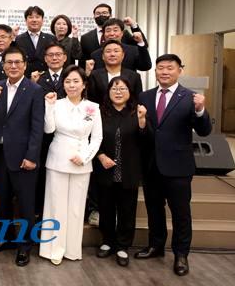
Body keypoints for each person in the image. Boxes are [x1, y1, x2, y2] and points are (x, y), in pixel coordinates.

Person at [135, 54, 212, 277]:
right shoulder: (145, 96)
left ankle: (181, 254)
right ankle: (156, 246)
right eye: (160, 68)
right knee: (154, 209)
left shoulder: (190, 97)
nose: (164, 72)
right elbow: (145, 132)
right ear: (155, 72)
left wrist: (200, 110)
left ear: (180, 70)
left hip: (178, 166)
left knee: (181, 213)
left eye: (170, 68)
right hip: (151, 165)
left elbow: (204, 131)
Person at [0, 45, 44, 267]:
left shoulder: (34, 90)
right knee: (2, 201)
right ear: (3, 66)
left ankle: (24, 246)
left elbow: (37, 127)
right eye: (9, 62)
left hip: (23, 157)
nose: (13, 66)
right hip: (0, 154)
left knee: (26, 204)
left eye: (17, 62)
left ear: (25, 65)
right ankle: (6, 239)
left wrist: (32, 156)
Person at [39, 65, 103, 265]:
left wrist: (84, 157)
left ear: (84, 85)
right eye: (67, 81)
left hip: (82, 162)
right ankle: (53, 249)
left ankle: (72, 249)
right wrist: (49, 107)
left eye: (76, 81)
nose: (72, 85)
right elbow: (49, 129)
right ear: (63, 84)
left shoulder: (93, 107)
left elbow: (97, 138)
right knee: (56, 206)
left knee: (76, 208)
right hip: (58, 159)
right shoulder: (56, 104)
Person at [93, 76, 150, 266]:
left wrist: (142, 121)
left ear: (130, 92)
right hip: (105, 169)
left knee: (127, 210)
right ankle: (107, 241)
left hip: (129, 170)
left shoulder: (137, 112)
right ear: (108, 92)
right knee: (106, 208)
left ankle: (123, 246)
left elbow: (146, 141)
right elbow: (91, 138)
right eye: (114, 89)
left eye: (123, 89)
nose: (118, 92)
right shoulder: (100, 113)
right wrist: (101, 156)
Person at [32, 42, 67, 219]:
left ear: (65, 57)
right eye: (50, 55)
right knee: (43, 175)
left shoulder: (72, 77)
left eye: (58, 54)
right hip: (44, 136)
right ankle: (41, 211)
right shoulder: (38, 79)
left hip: (66, 134)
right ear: (45, 59)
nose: (54, 58)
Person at [79, 3, 147, 67]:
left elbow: (142, 46)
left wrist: (134, 26)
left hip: (124, 71)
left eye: (104, 13)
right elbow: (83, 61)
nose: (101, 15)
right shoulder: (85, 38)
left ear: (110, 15)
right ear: (94, 16)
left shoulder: (123, 33)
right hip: (98, 73)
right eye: (98, 13)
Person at [87, 40, 143, 105]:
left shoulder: (134, 76)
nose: (112, 54)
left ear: (123, 55)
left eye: (116, 51)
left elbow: (138, 100)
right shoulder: (94, 75)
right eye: (108, 51)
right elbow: (90, 99)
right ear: (103, 56)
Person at [15, 6, 56, 78]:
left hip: (46, 78)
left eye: (37, 17)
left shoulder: (51, 38)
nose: (34, 20)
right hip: (25, 78)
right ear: (26, 20)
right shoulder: (19, 39)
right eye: (31, 17)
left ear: (42, 20)